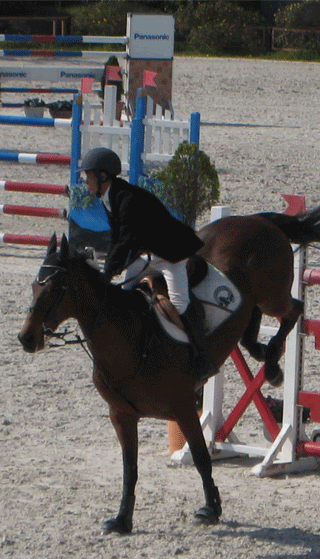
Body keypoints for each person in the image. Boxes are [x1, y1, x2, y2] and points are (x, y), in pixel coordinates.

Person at [77, 147, 217, 383]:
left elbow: (125, 240)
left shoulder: (127, 198)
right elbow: (117, 237)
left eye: (88, 176)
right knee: (126, 292)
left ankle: (203, 358)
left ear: (103, 176)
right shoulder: (109, 197)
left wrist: (107, 273)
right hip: (148, 253)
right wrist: (109, 270)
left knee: (180, 303)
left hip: (172, 252)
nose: (85, 181)